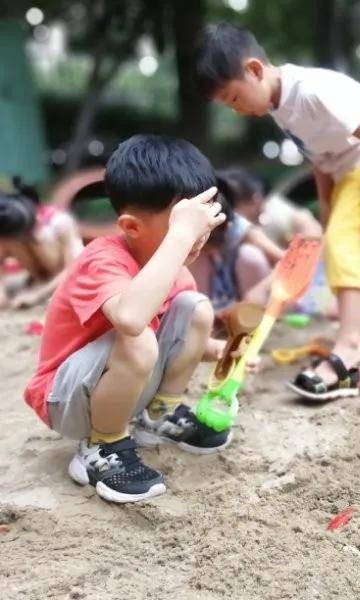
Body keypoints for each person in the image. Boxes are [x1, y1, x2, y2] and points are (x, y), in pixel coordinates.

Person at [196, 23, 360, 400]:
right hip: (345, 169)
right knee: (337, 244)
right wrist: (327, 207)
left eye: (234, 98)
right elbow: (319, 161)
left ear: (255, 70)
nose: (237, 109)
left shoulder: (310, 92)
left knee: (349, 247)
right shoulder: (280, 108)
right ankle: (350, 345)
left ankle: (351, 345)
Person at [24, 134, 231, 503]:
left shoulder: (173, 269)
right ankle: (100, 447)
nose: (195, 238)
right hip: (66, 399)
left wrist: (216, 348)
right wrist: (180, 237)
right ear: (132, 227)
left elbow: (172, 333)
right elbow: (132, 320)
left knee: (196, 308)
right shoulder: (102, 259)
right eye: (182, 226)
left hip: (125, 385)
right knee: (137, 336)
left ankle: (159, 416)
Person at [188, 171, 284, 310]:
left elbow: (287, 261)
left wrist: (261, 289)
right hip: (216, 301)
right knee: (197, 259)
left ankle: (252, 316)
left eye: (213, 238)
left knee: (249, 256)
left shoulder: (242, 231)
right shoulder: (192, 231)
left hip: (245, 297)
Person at [0, 178, 83, 309]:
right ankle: (38, 281)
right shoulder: (8, 231)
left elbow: (76, 267)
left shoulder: (59, 222)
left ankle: (47, 285)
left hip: (58, 278)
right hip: (36, 279)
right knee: (10, 239)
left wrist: (38, 295)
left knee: (41, 236)